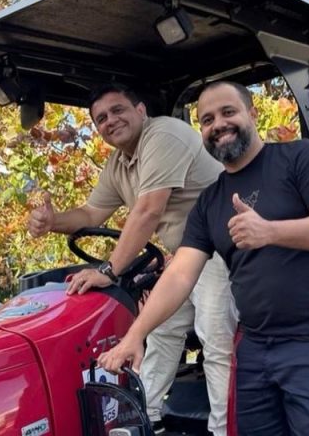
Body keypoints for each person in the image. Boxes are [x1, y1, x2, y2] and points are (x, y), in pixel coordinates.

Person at [98, 80, 309, 436]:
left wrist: (269, 231)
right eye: (207, 120)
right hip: (258, 347)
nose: (218, 124)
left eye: (228, 112)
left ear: (252, 114)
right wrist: (135, 335)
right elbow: (179, 274)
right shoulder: (210, 201)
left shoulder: (300, 158)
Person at [27, 82, 237, 436]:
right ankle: (145, 418)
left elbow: (147, 211)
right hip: (187, 257)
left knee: (214, 338)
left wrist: (109, 270)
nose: (111, 121)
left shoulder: (165, 134)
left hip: (222, 248)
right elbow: (92, 213)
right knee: (163, 330)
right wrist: (53, 222)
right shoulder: (119, 163)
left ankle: (224, 429)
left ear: (140, 110)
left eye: (118, 110)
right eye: (101, 118)